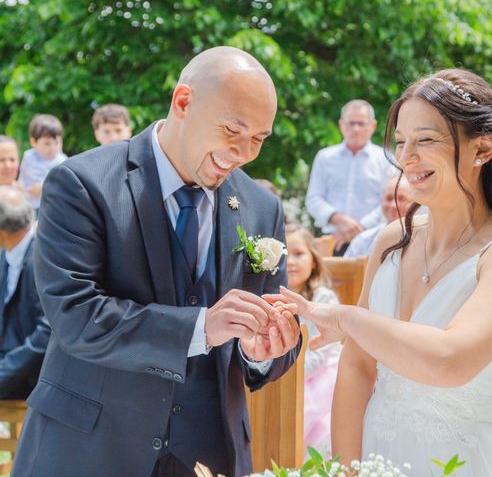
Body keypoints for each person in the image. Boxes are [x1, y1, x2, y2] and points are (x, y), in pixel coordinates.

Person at [13, 47, 302, 477]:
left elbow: (272, 326)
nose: (243, 152)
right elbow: (76, 315)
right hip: (89, 452)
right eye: (232, 129)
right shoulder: (81, 183)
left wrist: (262, 351)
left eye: (259, 138)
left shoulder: (262, 206)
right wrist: (202, 327)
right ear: (183, 102)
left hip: (210, 456)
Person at [272, 69, 492, 476]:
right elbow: (358, 367)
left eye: (426, 140)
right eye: (401, 142)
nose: (406, 158)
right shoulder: (391, 240)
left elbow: (449, 361)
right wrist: (349, 469)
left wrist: (347, 318)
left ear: (482, 149)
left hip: (463, 461)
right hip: (376, 453)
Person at [305, 100, 390, 255]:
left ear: (373, 126)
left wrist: (359, 227)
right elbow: (313, 199)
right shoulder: (325, 157)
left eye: (361, 123)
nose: (356, 129)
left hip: (373, 241)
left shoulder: (386, 159)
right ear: (341, 125)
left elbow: (390, 201)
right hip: (332, 241)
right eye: (351, 123)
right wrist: (338, 219)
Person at [285, 222, 340, 456]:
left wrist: (289, 376)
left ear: (314, 260)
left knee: (312, 416)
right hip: (283, 374)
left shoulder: (323, 298)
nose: (290, 262)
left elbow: (320, 353)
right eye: (285, 254)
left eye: (299, 254)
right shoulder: (267, 297)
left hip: (318, 377)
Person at [0, 185, 50, 399]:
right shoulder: (7, 254)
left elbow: (48, 333)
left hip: (33, 374)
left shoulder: (43, 258)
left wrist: (4, 372)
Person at [344, 176, 413, 258]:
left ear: (414, 202)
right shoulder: (363, 240)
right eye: (389, 198)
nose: (394, 205)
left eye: (402, 199)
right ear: (381, 201)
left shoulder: (424, 239)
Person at [18, 113, 67, 213]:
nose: (52, 148)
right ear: (33, 142)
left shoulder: (61, 160)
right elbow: (23, 177)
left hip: (52, 205)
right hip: (29, 204)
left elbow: (63, 184)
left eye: (56, 142)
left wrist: (43, 186)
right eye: (47, 143)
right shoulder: (28, 157)